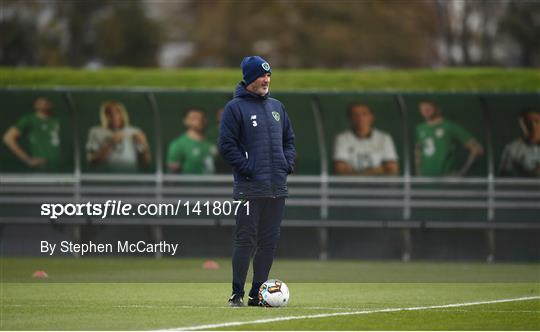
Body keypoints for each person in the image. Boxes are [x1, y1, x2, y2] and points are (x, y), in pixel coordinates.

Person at [219, 56, 295, 307]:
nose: (266, 79)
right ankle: (236, 293)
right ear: (250, 78)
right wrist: (247, 168)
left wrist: (287, 164)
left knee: (269, 242)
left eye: (269, 75)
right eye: (261, 75)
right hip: (250, 188)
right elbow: (227, 146)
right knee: (245, 240)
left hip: (276, 188)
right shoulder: (235, 108)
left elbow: (289, 141)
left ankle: (257, 294)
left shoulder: (277, 107)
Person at [415, 101, 483, 176]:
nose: (425, 109)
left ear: (437, 108)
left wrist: (462, 172)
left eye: (428, 106)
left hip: (446, 180)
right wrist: (419, 174)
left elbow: (477, 149)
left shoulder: (450, 127)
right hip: (425, 181)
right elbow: (418, 151)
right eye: (422, 107)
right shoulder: (420, 128)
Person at [333, 103, 399, 175]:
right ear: (349, 118)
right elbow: (340, 170)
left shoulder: (384, 138)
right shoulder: (342, 138)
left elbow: (392, 169)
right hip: (351, 185)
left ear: (372, 117)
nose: (360, 118)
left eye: (364, 114)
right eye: (355, 115)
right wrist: (380, 169)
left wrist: (354, 172)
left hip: (380, 185)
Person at [86, 101, 151, 172]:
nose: (114, 116)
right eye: (109, 113)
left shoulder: (134, 131)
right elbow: (92, 160)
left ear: (123, 114)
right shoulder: (96, 131)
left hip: (130, 176)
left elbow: (146, 161)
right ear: (104, 115)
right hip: (105, 177)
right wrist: (111, 143)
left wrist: (145, 145)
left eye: (117, 112)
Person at [3, 97, 61, 171]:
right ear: (35, 104)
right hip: (40, 168)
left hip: (60, 168)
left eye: (47, 100)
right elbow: (8, 138)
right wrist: (27, 159)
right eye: (41, 101)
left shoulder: (57, 119)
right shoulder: (29, 120)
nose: (44, 103)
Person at [167, 109, 217, 174]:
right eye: (194, 118)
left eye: (202, 117)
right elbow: (172, 174)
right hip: (189, 184)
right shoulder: (178, 144)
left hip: (215, 183)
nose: (199, 120)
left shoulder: (212, 143)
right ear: (186, 121)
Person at [499, 109, 540, 177]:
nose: (533, 126)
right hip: (523, 186)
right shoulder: (512, 148)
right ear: (521, 124)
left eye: (537, 121)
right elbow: (504, 176)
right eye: (528, 122)